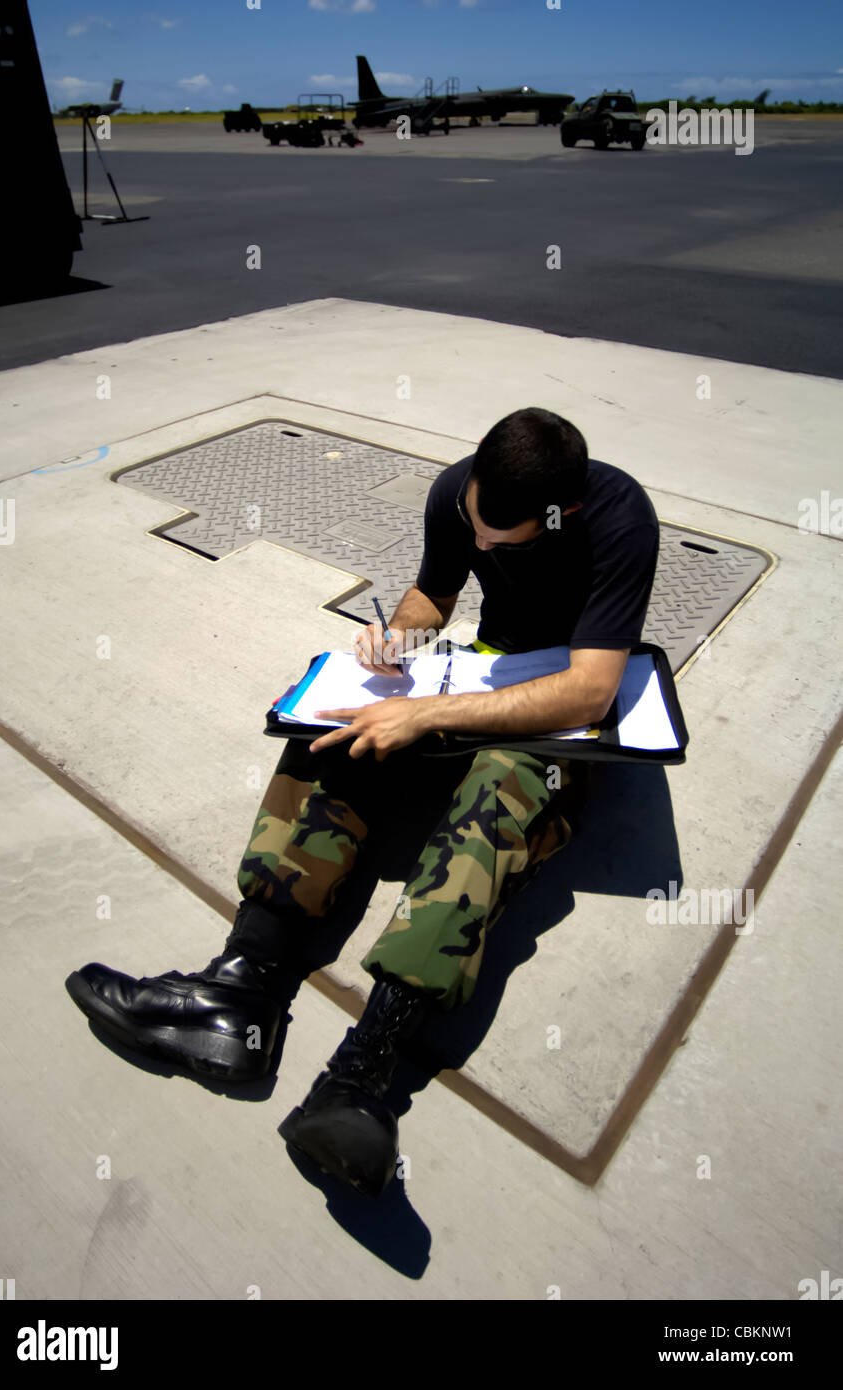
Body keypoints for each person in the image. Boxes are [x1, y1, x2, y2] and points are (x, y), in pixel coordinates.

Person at [66, 406, 659, 1198]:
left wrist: (429, 715)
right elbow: (431, 595)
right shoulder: (461, 493)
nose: (481, 545)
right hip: (475, 674)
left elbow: (588, 690)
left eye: (501, 543)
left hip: (557, 714)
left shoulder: (620, 519)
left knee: (494, 800)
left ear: (563, 513)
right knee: (337, 733)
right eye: (475, 526)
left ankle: (362, 1079)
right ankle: (238, 990)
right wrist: (400, 643)